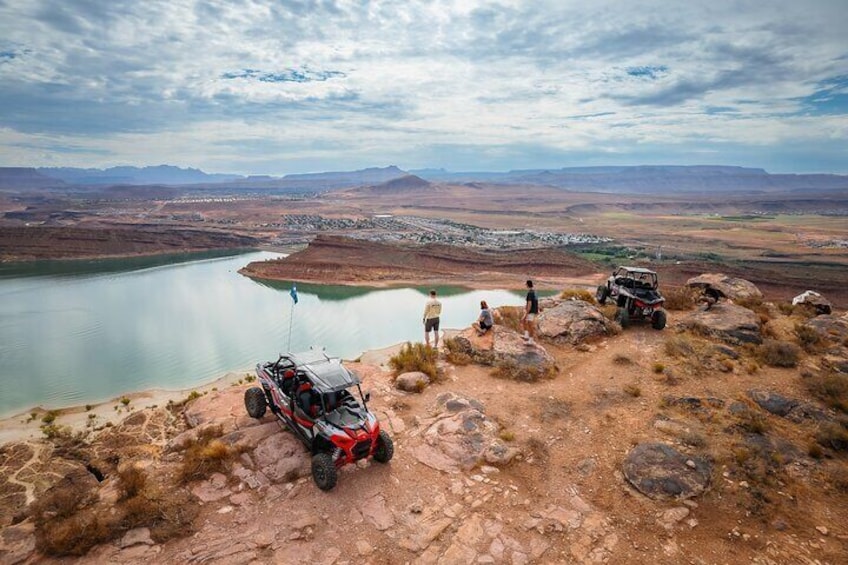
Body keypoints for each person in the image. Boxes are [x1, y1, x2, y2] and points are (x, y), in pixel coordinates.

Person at [522, 279, 539, 345]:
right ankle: (526, 336)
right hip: (533, 310)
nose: (525, 285)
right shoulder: (535, 292)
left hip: (530, 311)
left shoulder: (530, 293)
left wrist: (526, 313)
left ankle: (531, 341)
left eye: (526, 284)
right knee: (525, 322)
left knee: (530, 325)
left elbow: (529, 304)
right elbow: (537, 301)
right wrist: (537, 309)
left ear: (527, 285)